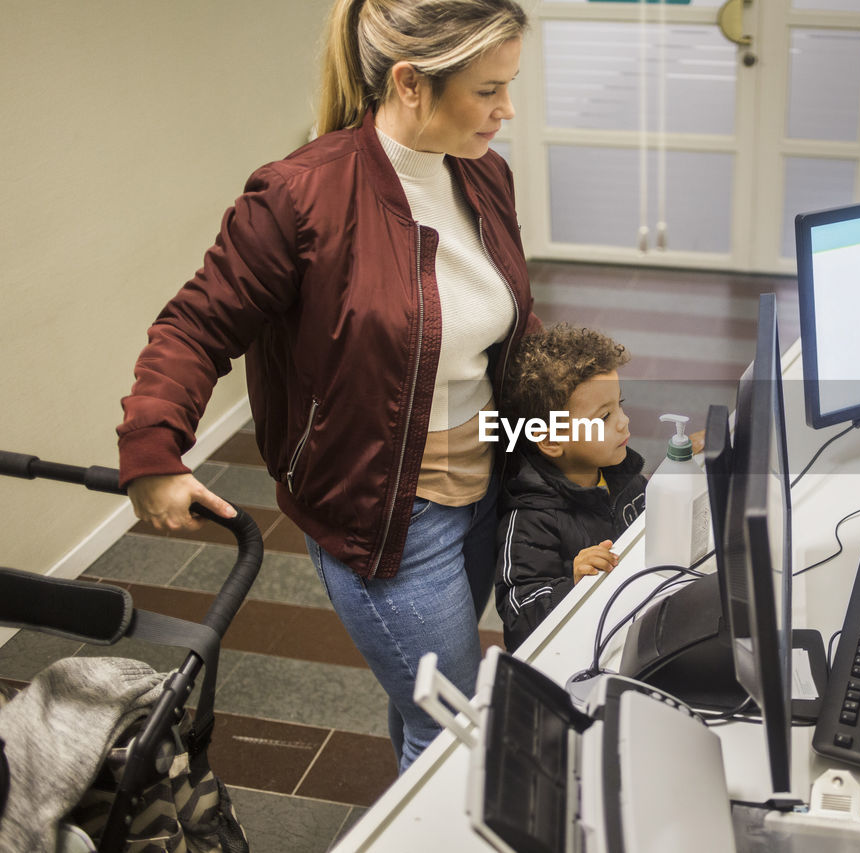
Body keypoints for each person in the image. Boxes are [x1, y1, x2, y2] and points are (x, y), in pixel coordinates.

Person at [116, 0, 538, 772]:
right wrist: (153, 449)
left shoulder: (484, 176)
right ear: (411, 84)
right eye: (488, 91)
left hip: (487, 486)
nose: (507, 111)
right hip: (385, 515)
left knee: (421, 697)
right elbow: (195, 326)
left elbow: (511, 334)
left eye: (509, 86)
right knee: (452, 730)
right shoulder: (300, 196)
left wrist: (575, 430)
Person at [494, 324, 647, 650]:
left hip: (629, 624)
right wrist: (573, 584)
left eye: (619, 404)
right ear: (550, 439)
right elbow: (517, 613)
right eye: (604, 416)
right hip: (580, 653)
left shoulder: (623, 476)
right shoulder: (530, 518)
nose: (623, 420)